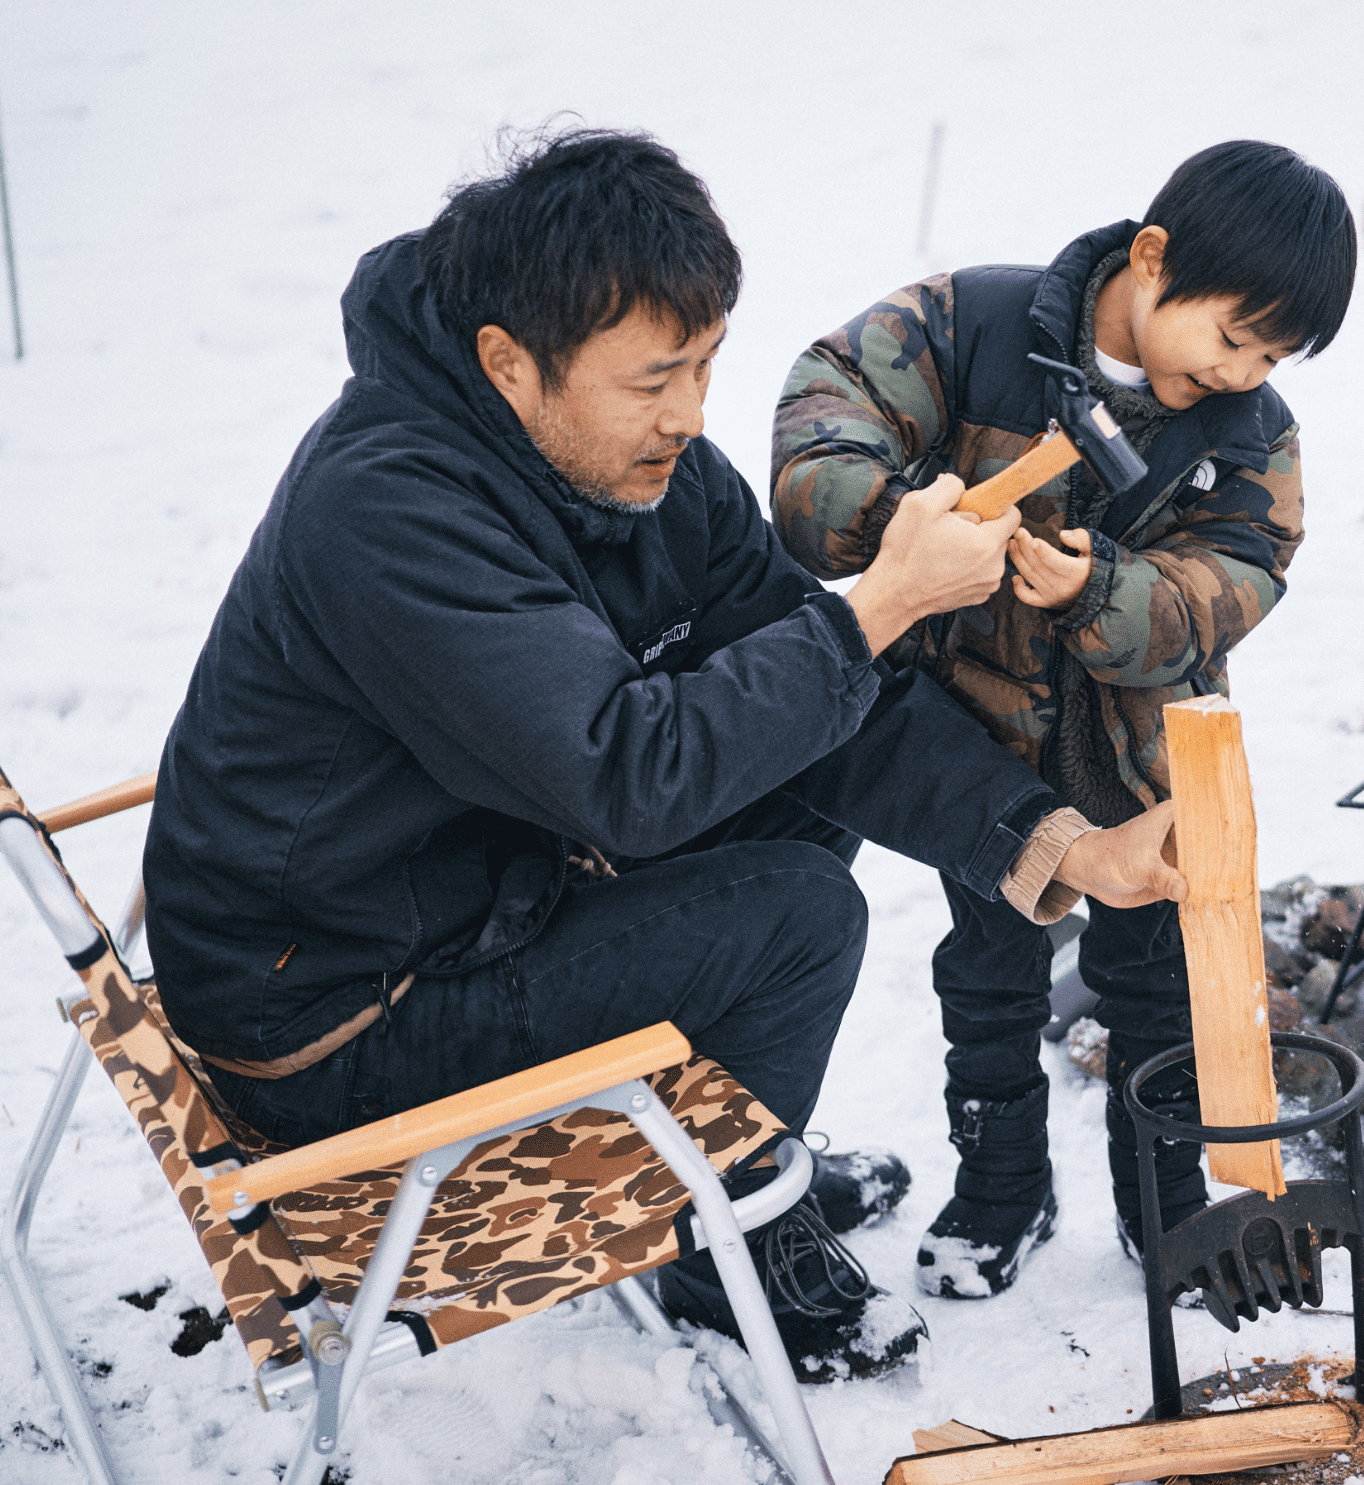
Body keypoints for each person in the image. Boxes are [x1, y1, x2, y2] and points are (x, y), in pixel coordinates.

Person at [141, 128, 1182, 1382]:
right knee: (795, 909)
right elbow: (627, 777)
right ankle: (719, 1245)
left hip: (454, 886)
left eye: (705, 366)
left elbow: (800, 674)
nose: (689, 417)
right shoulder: (389, 507)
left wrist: (1060, 840)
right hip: (336, 1024)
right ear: (508, 363)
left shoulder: (625, 467)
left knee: (792, 772)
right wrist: (880, 604)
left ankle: (737, 1168)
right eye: (653, 379)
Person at [770, 140, 1357, 1297]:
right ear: (1152, 260)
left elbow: (1236, 581)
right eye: (1233, 335)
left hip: (1145, 762)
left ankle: (1164, 1203)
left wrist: (1100, 592)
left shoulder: (1251, 434)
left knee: (1154, 982)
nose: (1244, 370)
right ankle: (1000, 1186)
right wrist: (903, 522)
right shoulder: (972, 325)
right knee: (988, 973)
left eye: (1272, 354)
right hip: (973, 748)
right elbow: (822, 407)